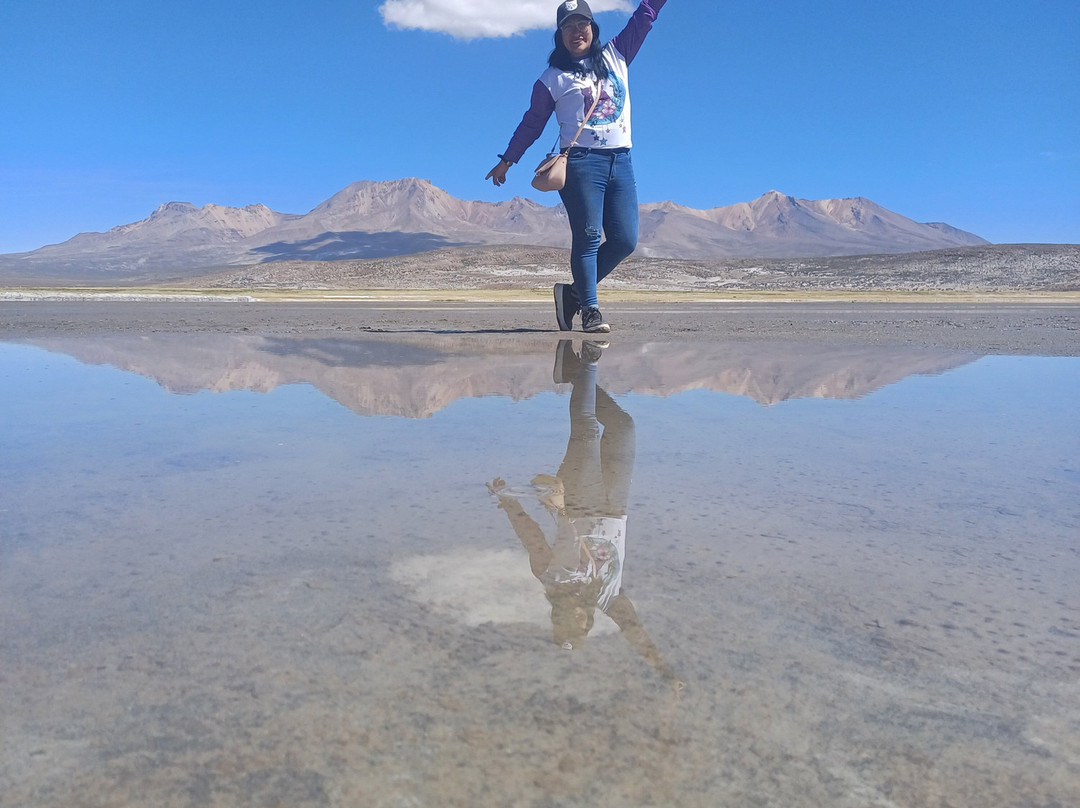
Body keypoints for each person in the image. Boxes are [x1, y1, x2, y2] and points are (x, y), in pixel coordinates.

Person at [487, 340, 682, 693]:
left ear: (557, 618)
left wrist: (508, 503)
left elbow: (529, 533)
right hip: (616, 504)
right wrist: (664, 673)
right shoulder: (609, 599)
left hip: (578, 499)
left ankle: (589, 361)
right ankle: (573, 371)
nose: (575, 619)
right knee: (623, 427)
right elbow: (637, 635)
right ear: (587, 623)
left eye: (565, 624)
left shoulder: (550, 576)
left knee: (588, 430)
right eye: (579, 627)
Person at [485, 1, 670, 334]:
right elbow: (532, 123)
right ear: (560, 35)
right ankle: (590, 310)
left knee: (625, 240)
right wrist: (507, 160)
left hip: (622, 161)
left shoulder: (618, 53)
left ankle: (570, 295)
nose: (576, 32)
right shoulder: (551, 79)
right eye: (568, 27)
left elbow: (646, 14)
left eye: (582, 24)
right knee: (587, 237)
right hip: (582, 164)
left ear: (592, 28)